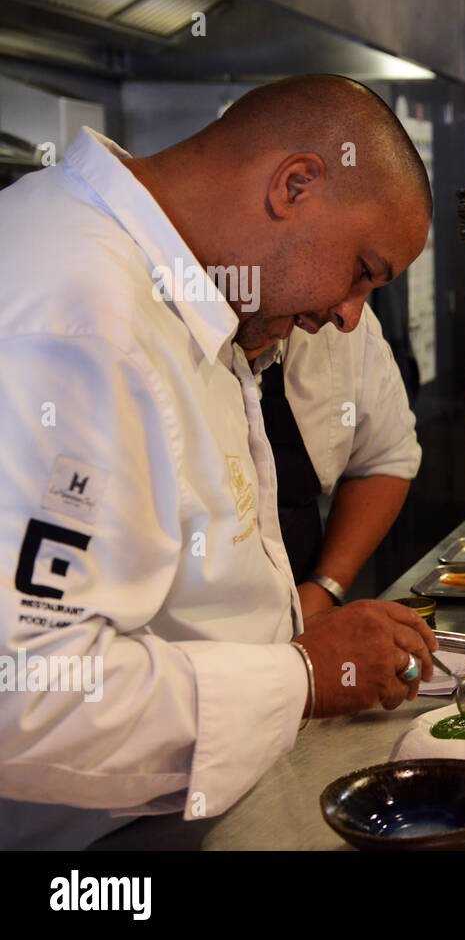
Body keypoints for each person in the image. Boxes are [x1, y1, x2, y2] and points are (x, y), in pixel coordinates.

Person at [0, 75, 438, 848]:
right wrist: (303, 674)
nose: (348, 315)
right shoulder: (82, 319)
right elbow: (30, 697)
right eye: (363, 271)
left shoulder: (182, 296)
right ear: (295, 184)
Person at [241, 301, 421, 619]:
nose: (349, 318)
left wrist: (324, 589)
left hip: (303, 609)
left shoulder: (341, 322)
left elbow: (386, 457)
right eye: (361, 270)